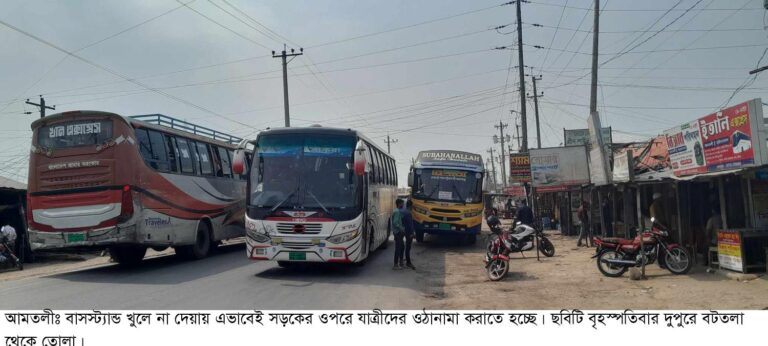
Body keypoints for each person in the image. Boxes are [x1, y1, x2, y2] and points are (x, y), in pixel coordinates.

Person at [401, 200, 416, 270]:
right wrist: (412, 233)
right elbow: (410, 225)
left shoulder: (403, 211)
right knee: (408, 247)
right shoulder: (408, 213)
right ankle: (408, 262)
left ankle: (401, 260)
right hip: (408, 232)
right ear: (411, 206)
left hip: (403, 231)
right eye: (412, 206)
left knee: (402, 246)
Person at [391, 199, 405, 270]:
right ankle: (396, 264)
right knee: (398, 248)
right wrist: (401, 228)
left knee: (402, 247)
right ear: (399, 204)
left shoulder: (397, 211)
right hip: (398, 232)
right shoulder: (397, 212)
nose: (403, 205)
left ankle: (400, 262)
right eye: (402, 203)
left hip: (397, 232)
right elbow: (395, 222)